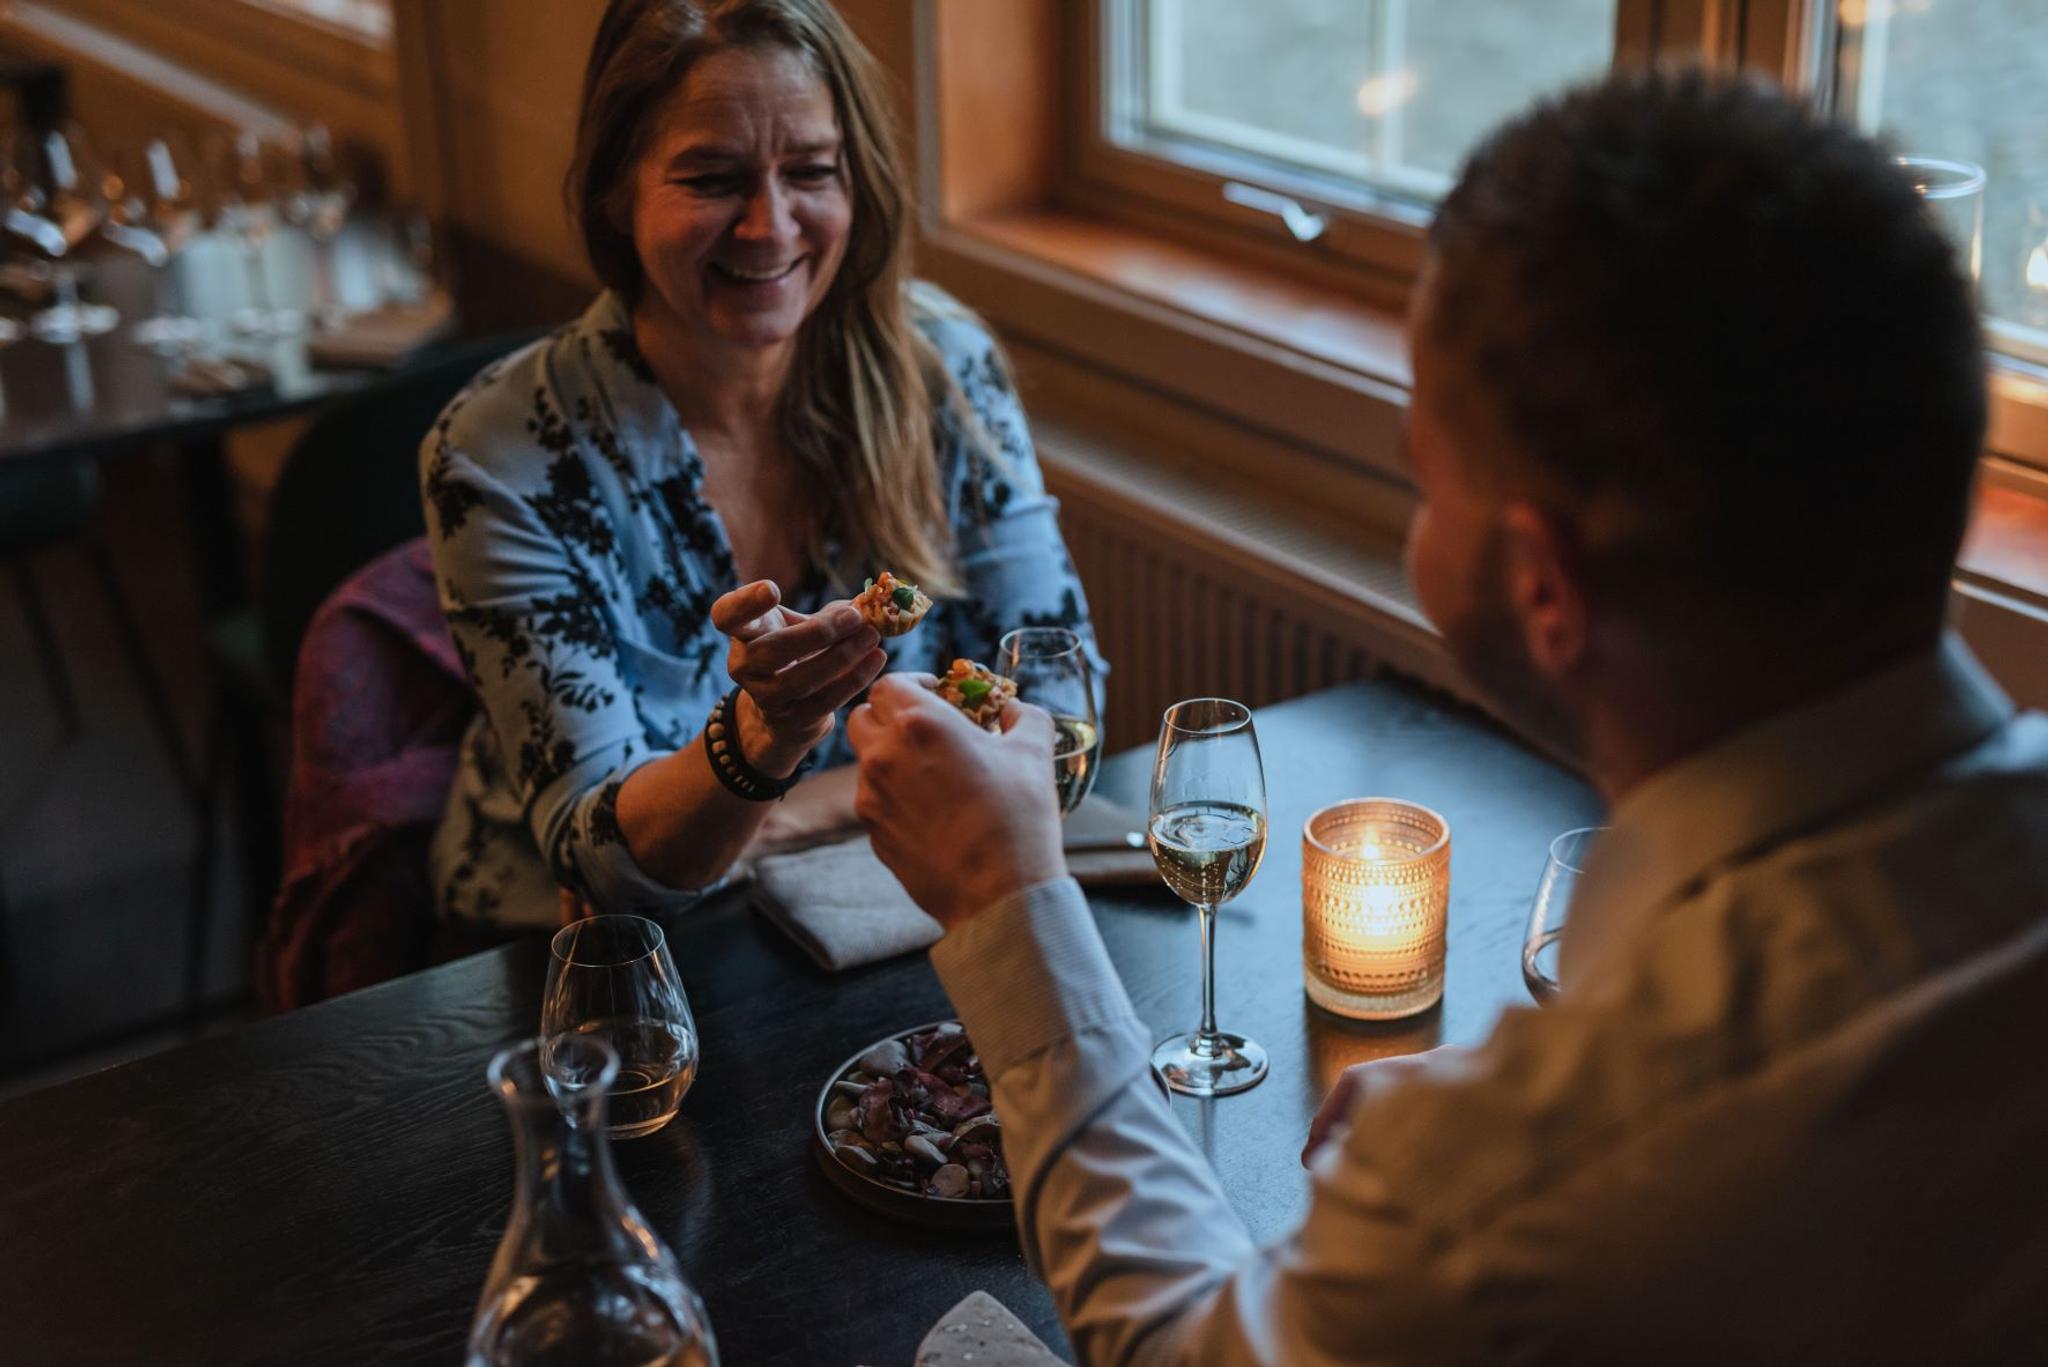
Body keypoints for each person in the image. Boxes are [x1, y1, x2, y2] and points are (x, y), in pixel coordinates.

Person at [848, 70, 2048, 1363]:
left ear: (1542, 589)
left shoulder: (1533, 1172)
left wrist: (1007, 896)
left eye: (1423, 475)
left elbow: (1184, 1345)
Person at [420, 0, 1102, 927]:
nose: (771, 227)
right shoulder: (502, 453)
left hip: (890, 903)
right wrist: (761, 737)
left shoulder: (946, 367)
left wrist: (773, 819)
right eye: (711, 178)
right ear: (616, 191)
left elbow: (1060, 712)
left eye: (812, 172)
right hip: (581, 968)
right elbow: (609, 868)